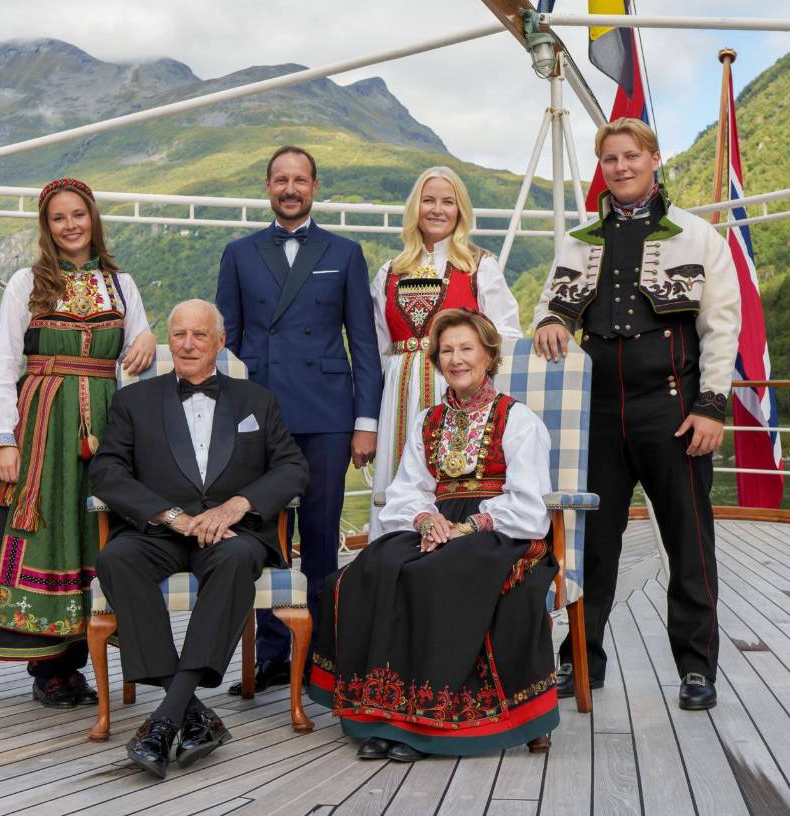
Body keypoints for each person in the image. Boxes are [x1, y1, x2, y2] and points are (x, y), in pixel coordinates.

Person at [532, 118, 741, 710]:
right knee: (592, 544)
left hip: (673, 409)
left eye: (630, 156)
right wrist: (551, 320)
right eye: (609, 159)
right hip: (596, 411)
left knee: (688, 540)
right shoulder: (578, 240)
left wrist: (711, 406)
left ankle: (697, 668)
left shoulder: (698, 237)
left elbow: (721, 328)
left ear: (653, 159)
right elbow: (551, 306)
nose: (620, 167)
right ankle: (580, 661)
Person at [310, 309, 560, 761]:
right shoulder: (428, 419)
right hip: (436, 524)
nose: (456, 359)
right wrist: (428, 521)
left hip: (500, 529)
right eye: (447, 350)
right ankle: (382, 714)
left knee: (436, 575)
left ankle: (426, 723)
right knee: (374, 568)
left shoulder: (518, 419)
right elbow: (409, 488)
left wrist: (468, 526)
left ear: (489, 355)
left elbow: (528, 501)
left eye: (467, 349)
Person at [0, 178, 157, 707]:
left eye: (78, 215)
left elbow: (140, 351)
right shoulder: (28, 282)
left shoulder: (121, 284)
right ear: (47, 227)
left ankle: (92, 651)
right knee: (48, 531)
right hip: (43, 422)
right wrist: (5, 438)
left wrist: (148, 336)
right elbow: (5, 366)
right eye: (58, 218)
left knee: (98, 532)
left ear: (93, 218)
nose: (70, 225)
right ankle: (50, 668)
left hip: (109, 425)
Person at [89, 299, 309, 779]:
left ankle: (165, 717)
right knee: (116, 558)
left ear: (220, 341)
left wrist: (237, 505)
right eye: (180, 334)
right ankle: (189, 712)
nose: (188, 344)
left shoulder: (257, 400)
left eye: (199, 335)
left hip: (232, 531)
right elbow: (106, 471)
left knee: (234, 561)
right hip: (161, 530)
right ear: (170, 341)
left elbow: (293, 468)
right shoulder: (134, 401)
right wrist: (170, 516)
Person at [216, 145, 383, 692]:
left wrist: (366, 421)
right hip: (259, 413)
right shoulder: (239, 254)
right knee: (261, 534)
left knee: (318, 533)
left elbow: (363, 342)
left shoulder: (345, 251)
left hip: (328, 413)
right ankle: (269, 652)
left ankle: (323, 655)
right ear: (267, 186)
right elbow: (227, 343)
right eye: (280, 180)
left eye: (300, 180)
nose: (290, 189)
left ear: (315, 186)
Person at [368, 166, 522, 540]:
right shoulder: (389, 271)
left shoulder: (478, 266)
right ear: (414, 207)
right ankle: (392, 561)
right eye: (429, 200)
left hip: (458, 388)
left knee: (452, 477)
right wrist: (370, 422)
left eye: (448, 202)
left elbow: (505, 335)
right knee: (398, 481)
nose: (437, 209)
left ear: (460, 210)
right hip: (399, 393)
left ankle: (452, 545)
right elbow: (376, 348)